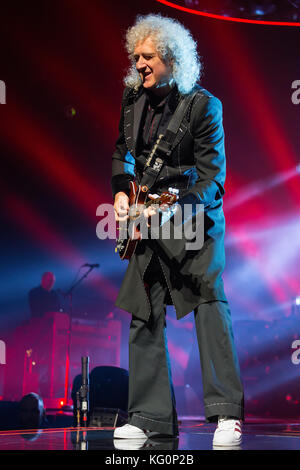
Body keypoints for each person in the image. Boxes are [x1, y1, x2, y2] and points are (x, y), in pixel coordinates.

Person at [111, 14, 244, 447]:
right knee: (143, 310)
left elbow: (213, 181)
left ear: (172, 58)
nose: (139, 64)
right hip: (146, 218)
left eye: (147, 56)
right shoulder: (132, 98)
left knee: (208, 303)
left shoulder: (205, 105)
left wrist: (170, 211)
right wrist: (120, 192)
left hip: (192, 221)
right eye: (136, 56)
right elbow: (121, 153)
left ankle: (226, 415)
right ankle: (149, 417)